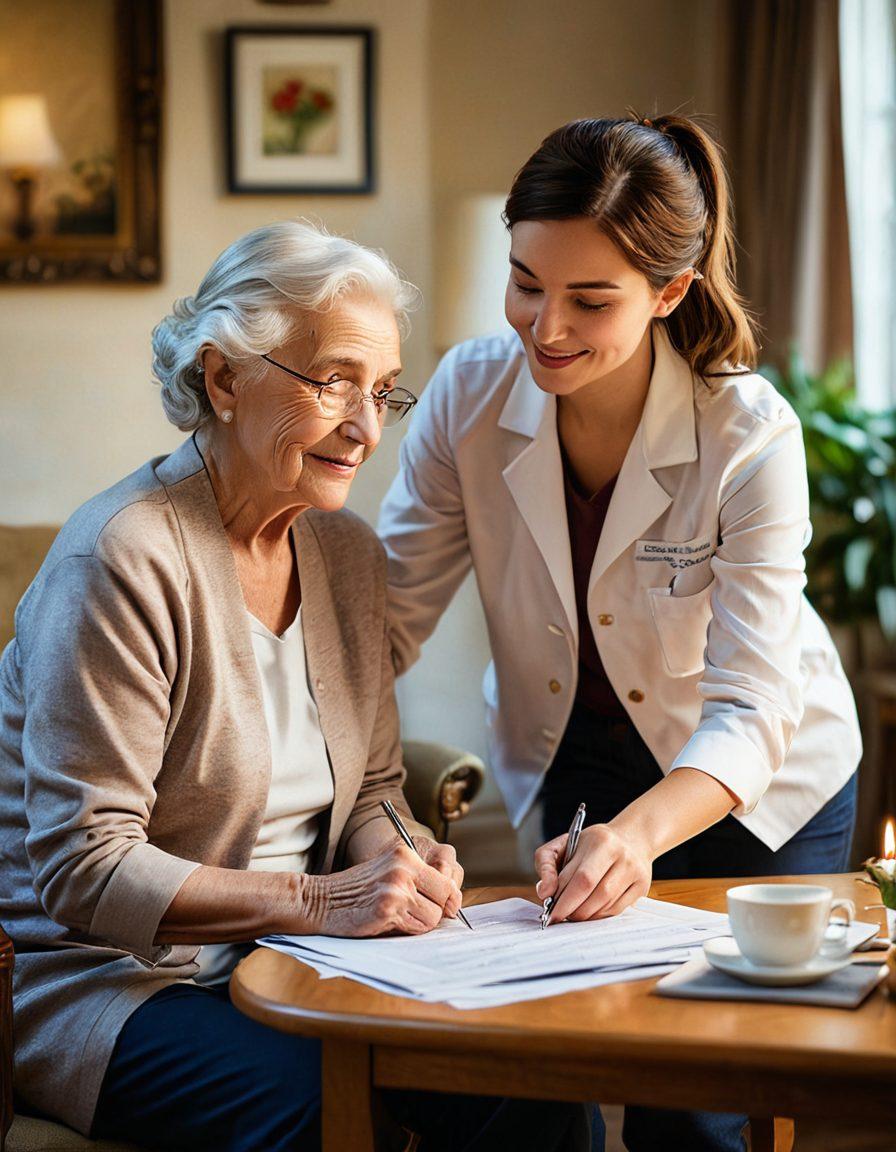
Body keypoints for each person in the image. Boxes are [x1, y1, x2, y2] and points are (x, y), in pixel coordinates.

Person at [0, 221, 590, 1152]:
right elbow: (85, 865)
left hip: (297, 961)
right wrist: (326, 901)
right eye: (334, 382)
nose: (366, 427)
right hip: (112, 984)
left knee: (533, 1087)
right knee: (322, 1107)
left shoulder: (345, 552)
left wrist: (406, 863)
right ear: (225, 378)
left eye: (382, 392)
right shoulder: (120, 558)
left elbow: (375, 791)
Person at [378, 116, 862, 1152]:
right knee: (564, 1054)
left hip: (752, 776)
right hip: (579, 755)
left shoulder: (746, 432)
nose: (543, 327)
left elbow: (751, 705)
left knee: (692, 1098)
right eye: (524, 283)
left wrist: (639, 836)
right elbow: (382, 619)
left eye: (589, 299)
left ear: (669, 292)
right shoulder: (466, 397)